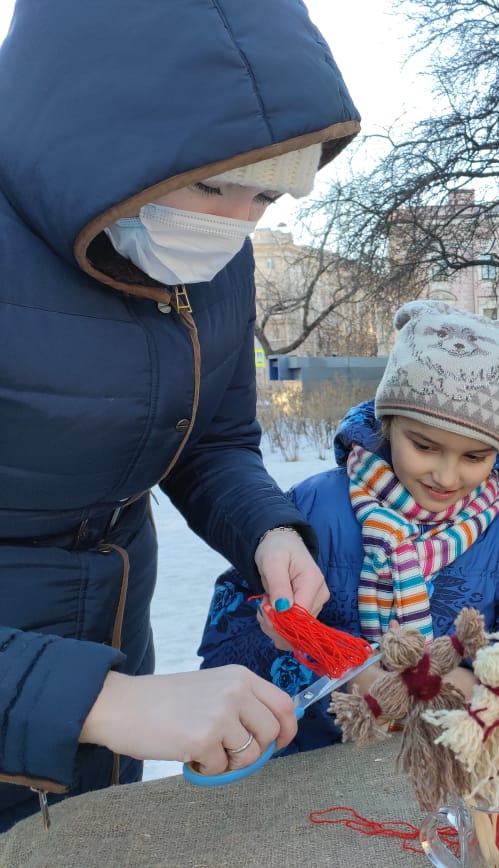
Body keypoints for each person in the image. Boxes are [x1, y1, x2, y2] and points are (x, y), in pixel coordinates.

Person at [0, 0, 360, 830]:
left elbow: (212, 439)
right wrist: (93, 700)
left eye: (266, 194)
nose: (231, 225)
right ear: (99, 124)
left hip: (111, 653)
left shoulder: (211, 260)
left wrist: (268, 531)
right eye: (209, 183)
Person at [199, 301, 499, 753]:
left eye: (475, 456)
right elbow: (228, 640)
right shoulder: (309, 509)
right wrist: (334, 675)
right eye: (424, 445)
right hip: (319, 766)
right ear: (389, 422)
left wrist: (480, 679)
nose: (447, 476)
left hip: (452, 765)